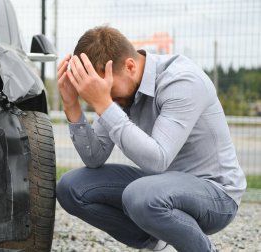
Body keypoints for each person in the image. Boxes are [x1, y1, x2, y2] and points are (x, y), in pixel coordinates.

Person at [56, 26, 246, 252]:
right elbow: (94, 157)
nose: (108, 98)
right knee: (71, 187)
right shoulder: (121, 93)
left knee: (140, 195)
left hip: (216, 193)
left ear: (130, 66)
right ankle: (161, 244)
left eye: (109, 91)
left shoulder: (182, 81)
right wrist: (72, 106)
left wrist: (104, 104)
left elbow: (158, 160)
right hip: (159, 186)